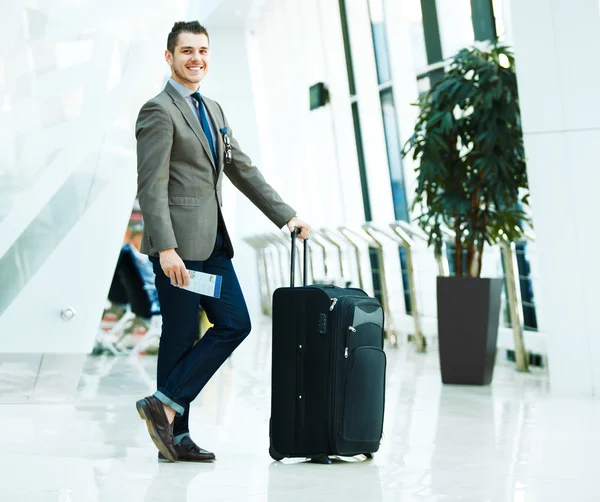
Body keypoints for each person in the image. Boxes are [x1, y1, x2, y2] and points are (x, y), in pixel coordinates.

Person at [134, 21, 310, 463]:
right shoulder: (158, 110)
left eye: (203, 51)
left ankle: (166, 407)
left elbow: (241, 168)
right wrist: (165, 247)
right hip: (178, 249)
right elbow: (151, 186)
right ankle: (175, 434)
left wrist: (285, 216)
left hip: (211, 245)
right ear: (169, 56)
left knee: (234, 323)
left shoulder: (212, 109)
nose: (196, 58)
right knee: (178, 336)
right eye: (187, 51)